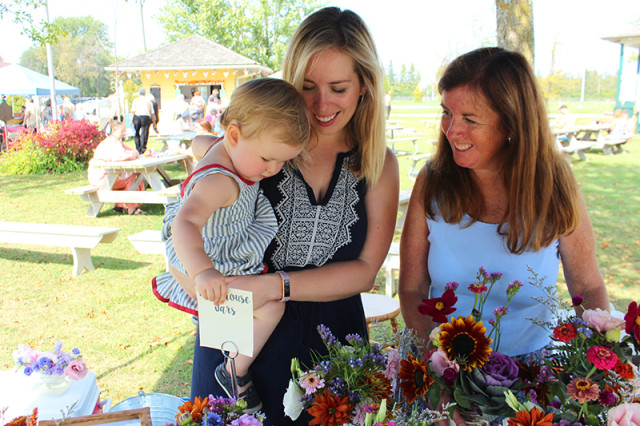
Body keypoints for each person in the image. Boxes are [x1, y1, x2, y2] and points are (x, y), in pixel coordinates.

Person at [186, 7, 399, 425]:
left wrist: (274, 285)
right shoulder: (256, 148)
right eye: (307, 87)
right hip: (240, 343)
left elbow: (364, 271)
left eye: (338, 88)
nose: (322, 104)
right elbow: (198, 185)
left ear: (364, 88)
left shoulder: (379, 163)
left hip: (334, 345)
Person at [397, 47, 609, 423]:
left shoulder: (555, 186)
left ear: (511, 124)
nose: (452, 130)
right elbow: (412, 288)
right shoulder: (431, 182)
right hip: (441, 370)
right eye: (446, 112)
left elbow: (588, 288)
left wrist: (599, 367)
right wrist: (443, 376)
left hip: (530, 380)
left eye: (470, 119)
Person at [151, 78, 310, 413]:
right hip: (212, 265)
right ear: (235, 135)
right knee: (272, 305)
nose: (273, 169)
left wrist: (202, 146)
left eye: (283, 161)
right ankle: (234, 371)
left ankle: (230, 363)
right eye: (268, 158)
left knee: (245, 315)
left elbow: (198, 142)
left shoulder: (225, 147)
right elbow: (185, 222)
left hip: (217, 255)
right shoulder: (221, 182)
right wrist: (203, 272)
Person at [88, 119, 146, 215]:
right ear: (113, 131)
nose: (123, 133)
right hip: (102, 178)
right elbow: (120, 156)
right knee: (135, 176)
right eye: (121, 131)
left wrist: (134, 153)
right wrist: (133, 154)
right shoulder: (111, 143)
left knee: (128, 175)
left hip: (102, 175)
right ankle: (131, 207)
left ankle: (121, 205)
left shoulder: (114, 142)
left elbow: (129, 151)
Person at [130, 87, 155, 154]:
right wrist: (154, 123)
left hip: (137, 117)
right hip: (146, 117)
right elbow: (152, 113)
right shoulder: (148, 101)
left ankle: (138, 149)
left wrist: (131, 120)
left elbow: (132, 111)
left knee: (136, 133)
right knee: (144, 133)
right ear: (145, 93)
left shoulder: (135, 100)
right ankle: (143, 148)